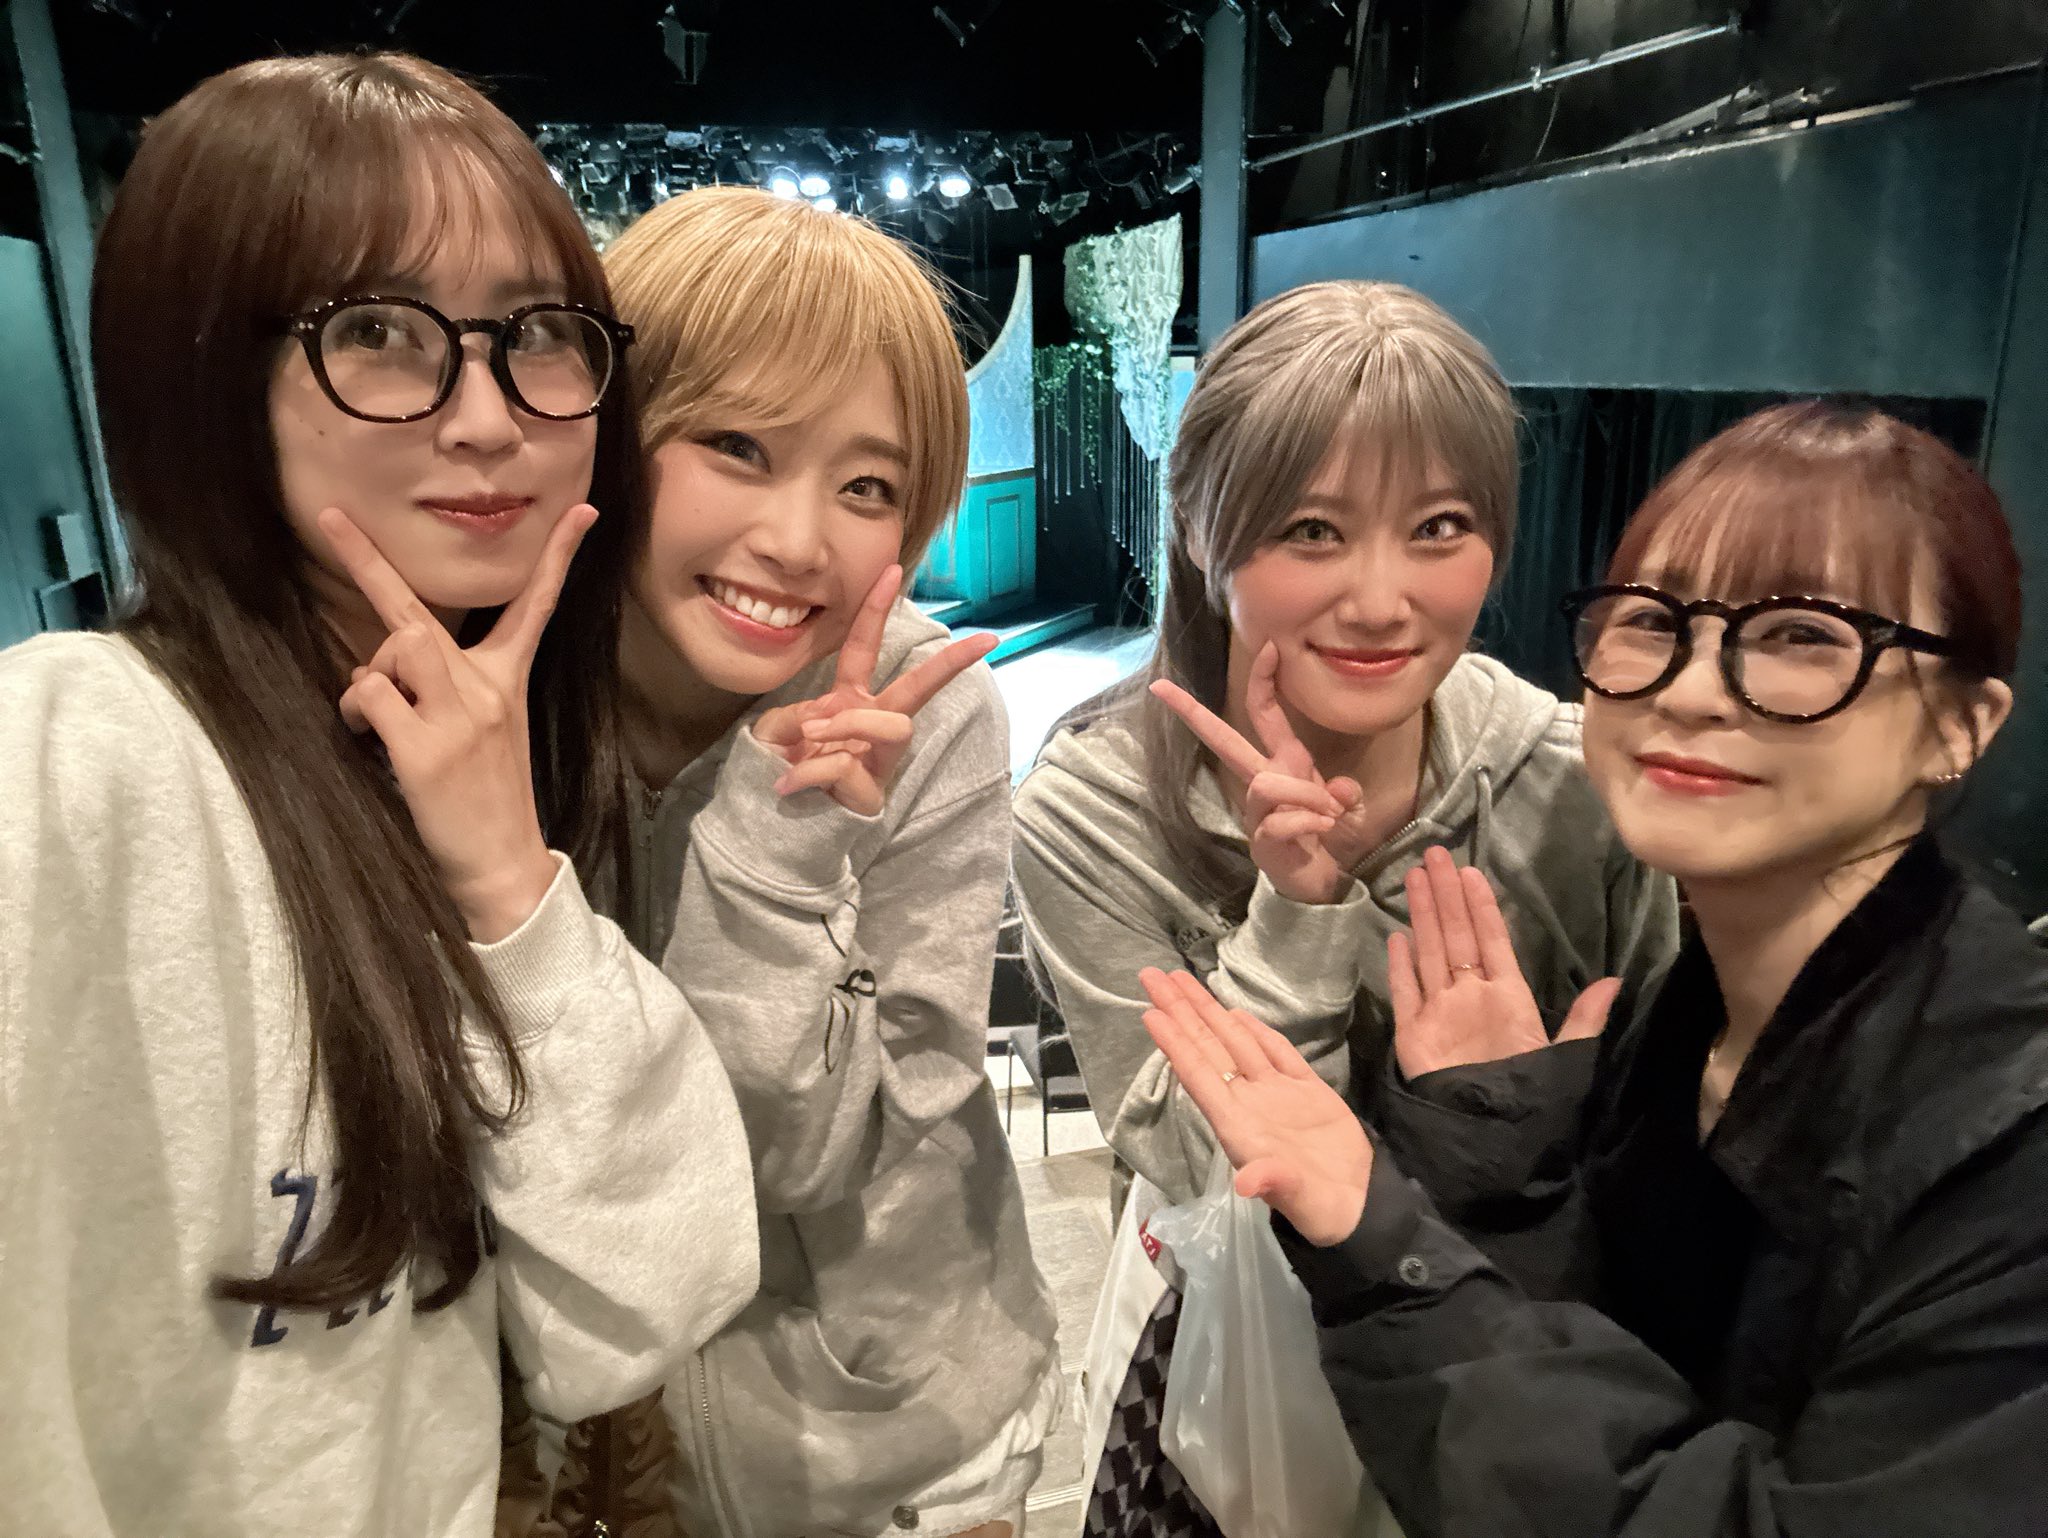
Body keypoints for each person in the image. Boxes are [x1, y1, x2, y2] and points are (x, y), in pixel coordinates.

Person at [0, 54, 758, 1537]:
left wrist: (509, 881)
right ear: (207, 376)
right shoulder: (71, 748)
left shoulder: (484, 764)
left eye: (538, 335)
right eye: (377, 333)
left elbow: (658, 1291)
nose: (486, 416)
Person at [1145, 401, 2048, 1537]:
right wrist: (1504, 1149)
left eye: (1802, 636)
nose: (1692, 688)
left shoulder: (2008, 1146)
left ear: (1962, 726)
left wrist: (1387, 1242)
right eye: (1654, 621)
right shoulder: (1694, 1022)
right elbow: (1631, 1377)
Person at [1010, 278, 1675, 1534]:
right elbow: (1190, 1170)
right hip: (1237, 1392)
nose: (1379, 599)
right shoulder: (1094, 810)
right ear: (1198, 529)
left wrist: (1506, 1113)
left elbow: (1662, 1150)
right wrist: (1294, 918)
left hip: (1514, 1383)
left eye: (1438, 526)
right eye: (1311, 530)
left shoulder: (1570, 786)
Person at [592, 185, 1059, 1538]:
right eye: (736, 444)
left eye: (867, 487)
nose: (799, 541)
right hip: (605, 1459)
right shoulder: (497, 702)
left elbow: (813, 1155)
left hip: (901, 1448)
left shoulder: (926, 711)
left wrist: (775, 849)